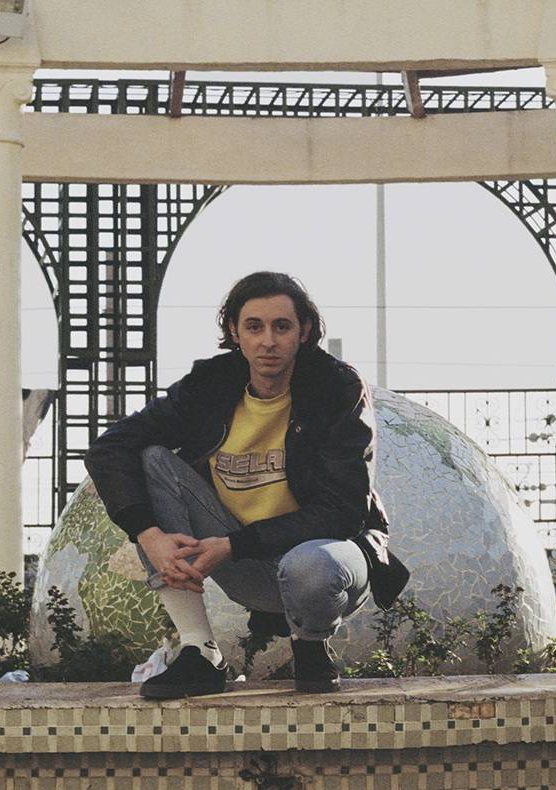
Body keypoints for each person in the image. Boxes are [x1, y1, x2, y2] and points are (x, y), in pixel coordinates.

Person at [84, 272, 407, 698]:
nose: (268, 341)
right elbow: (109, 449)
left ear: (304, 331)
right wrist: (149, 536)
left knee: (308, 565)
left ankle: (311, 645)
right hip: (242, 562)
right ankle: (199, 652)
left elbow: (343, 513)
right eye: (254, 326)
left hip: (327, 565)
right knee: (151, 459)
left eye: (281, 326)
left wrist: (233, 545)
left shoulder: (337, 389)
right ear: (234, 331)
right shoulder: (210, 386)